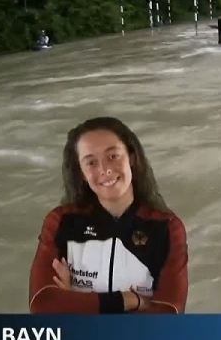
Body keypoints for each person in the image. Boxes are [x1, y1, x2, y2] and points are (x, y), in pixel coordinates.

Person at [28, 117, 188, 314]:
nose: (104, 170)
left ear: (132, 157)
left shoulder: (167, 228)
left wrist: (77, 303)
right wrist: (131, 300)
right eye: (91, 162)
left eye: (113, 156)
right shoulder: (62, 222)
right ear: (81, 173)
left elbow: (167, 315)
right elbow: (43, 306)